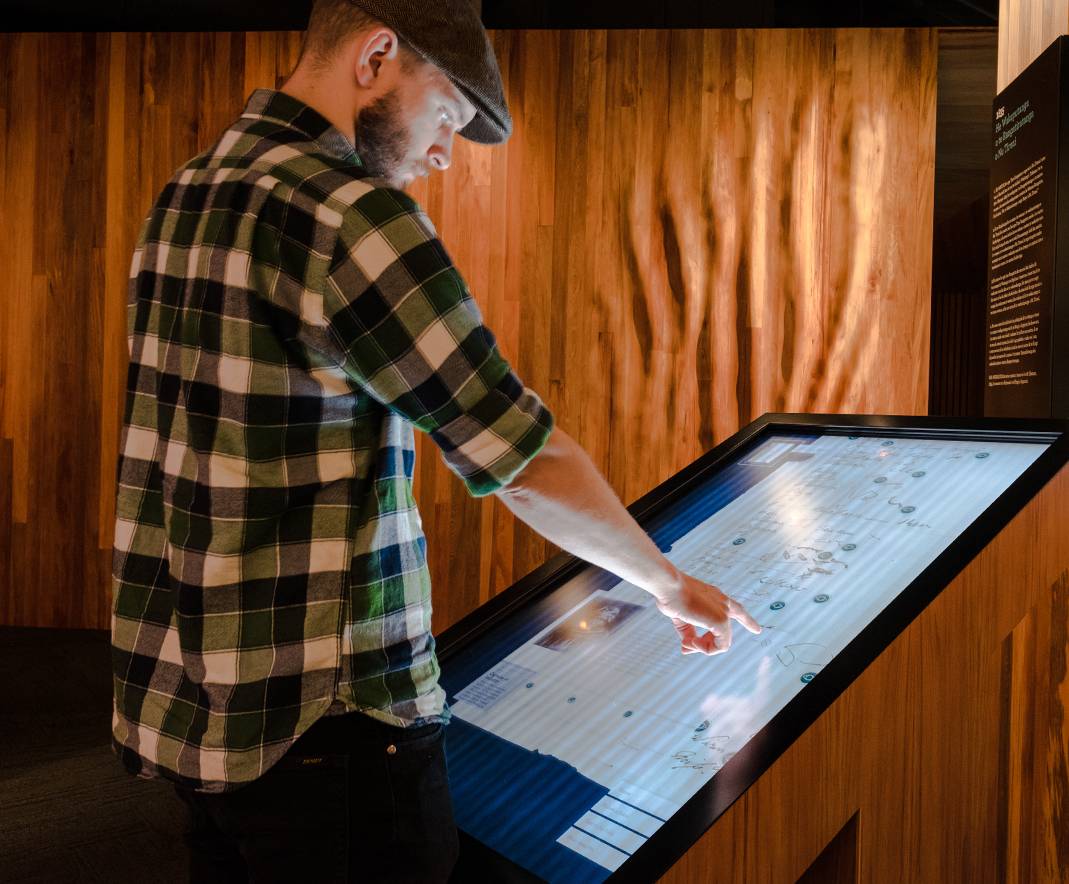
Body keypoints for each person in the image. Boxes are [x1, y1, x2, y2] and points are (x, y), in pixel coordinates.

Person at [108, 1, 761, 881]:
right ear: (377, 55)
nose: (445, 152)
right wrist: (668, 583)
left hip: (195, 711)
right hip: (326, 727)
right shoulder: (350, 215)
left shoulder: (185, 192)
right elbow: (522, 459)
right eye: (445, 114)